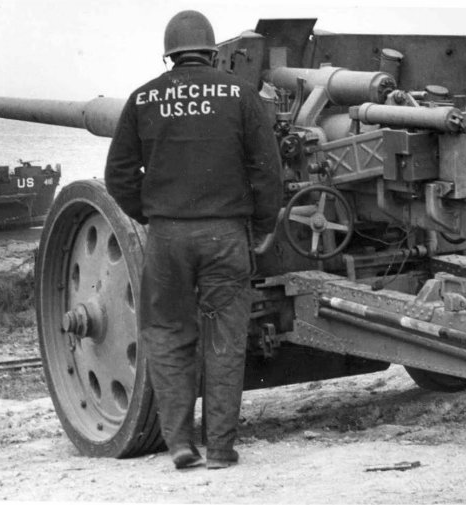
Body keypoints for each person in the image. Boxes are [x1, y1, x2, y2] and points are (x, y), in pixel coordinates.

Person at [103, 9, 283, 471]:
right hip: (226, 235)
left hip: (168, 237)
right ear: (211, 53)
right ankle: (220, 449)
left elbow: (118, 175)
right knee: (225, 341)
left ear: (170, 56)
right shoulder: (240, 95)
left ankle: (180, 444)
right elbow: (267, 171)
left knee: (167, 336)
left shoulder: (143, 98)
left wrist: (152, 214)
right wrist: (263, 226)